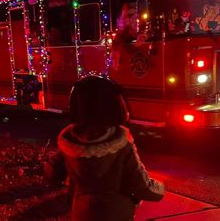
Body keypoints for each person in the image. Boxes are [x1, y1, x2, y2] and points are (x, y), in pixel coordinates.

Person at [44, 76, 165, 221]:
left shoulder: (69, 140)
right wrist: (161, 188)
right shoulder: (120, 141)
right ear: (112, 105)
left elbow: (53, 173)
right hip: (116, 215)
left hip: (81, 213)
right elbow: (141, 186)